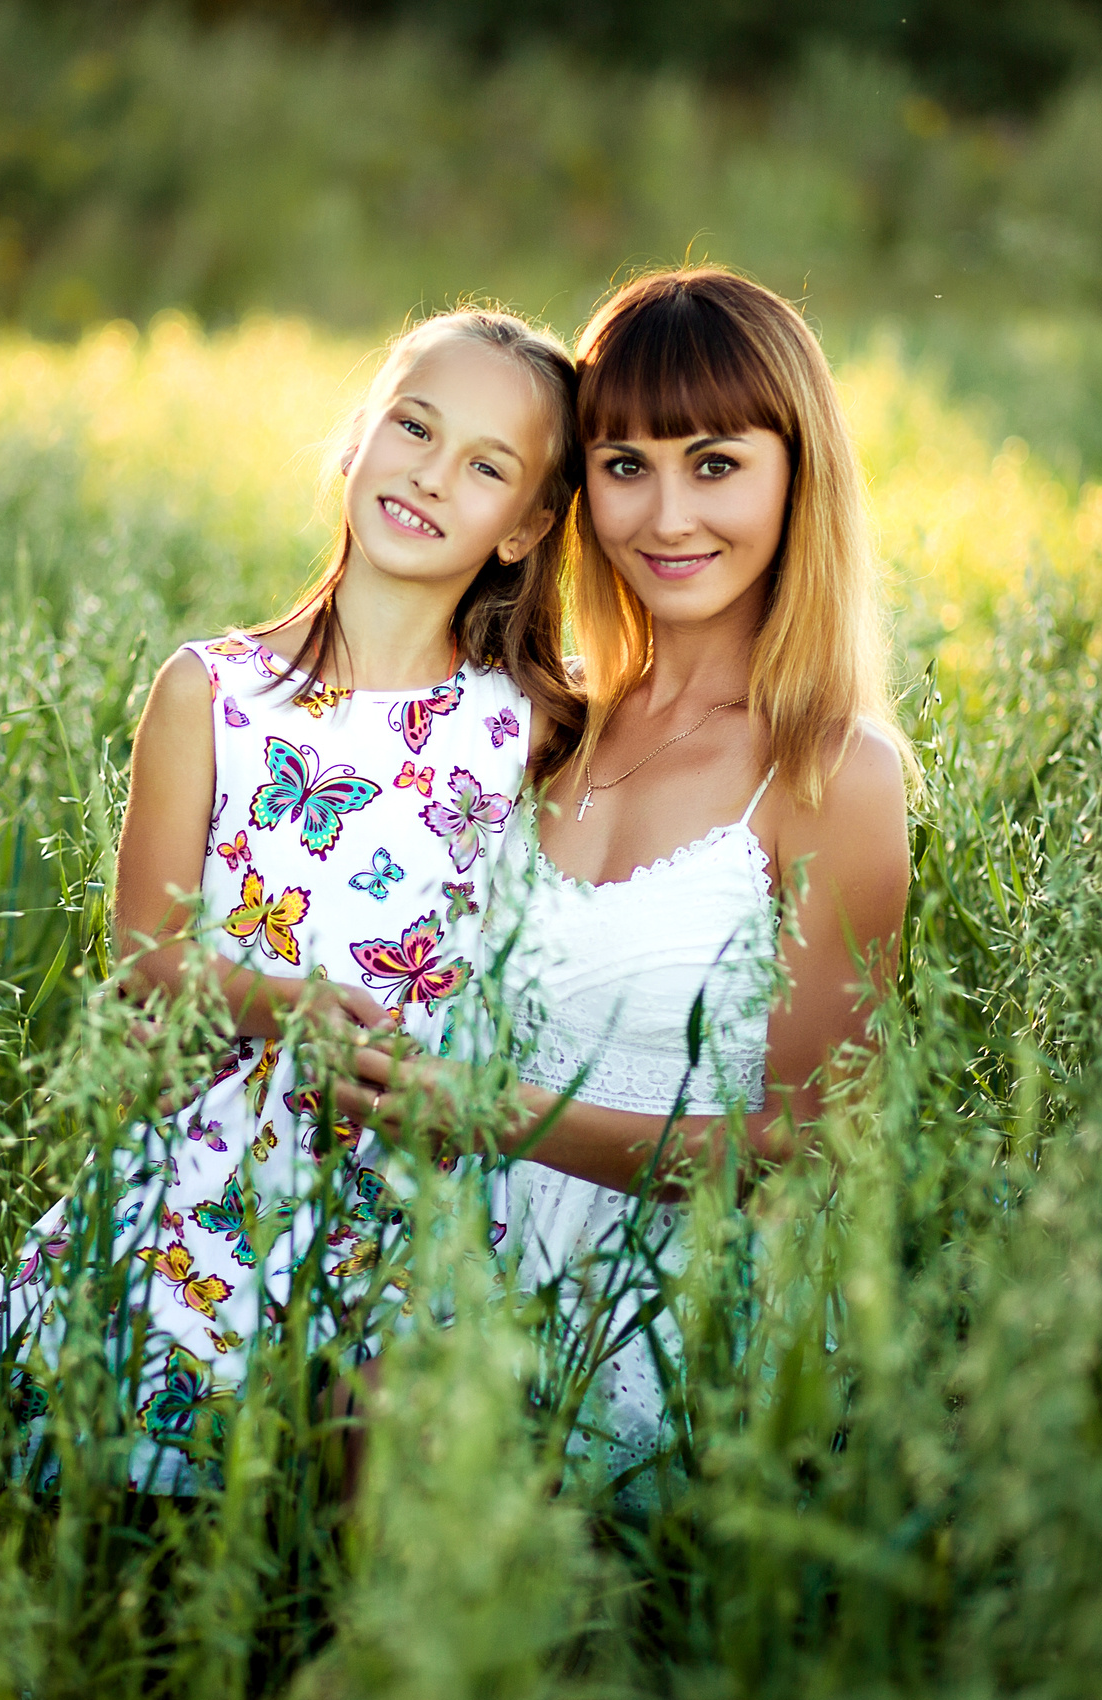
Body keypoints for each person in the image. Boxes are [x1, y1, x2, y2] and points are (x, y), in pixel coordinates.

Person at [0, 308, 581, 1493]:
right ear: (359, 437)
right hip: (229, 1146)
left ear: (525, 527)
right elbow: (145, 949)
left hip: (428, 1164)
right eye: (413, 428)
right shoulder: (213, 691)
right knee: (124, 1489)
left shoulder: (532, 725)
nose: (431, 477)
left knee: (374, 1499)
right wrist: (273, 995)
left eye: (485, 467)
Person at [346, 267, 912, 1504]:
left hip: (673, 1345)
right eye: (622, 465)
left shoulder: (830, 772)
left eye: (715, 464)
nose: (665, 515)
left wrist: (498, 1115)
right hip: (459, 1312)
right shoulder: (541, 725)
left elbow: (800, 1144)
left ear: (795, 474)